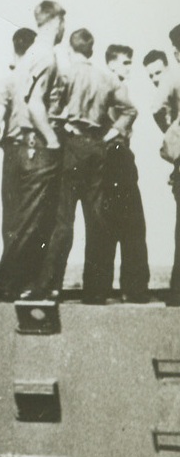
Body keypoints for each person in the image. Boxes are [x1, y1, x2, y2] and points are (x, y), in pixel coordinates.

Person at [38, 28, 136, 302]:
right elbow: (130, 110)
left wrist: (62, 126)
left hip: (72, 147)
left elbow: (53, 112)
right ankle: (96, 290)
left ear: (71, 50)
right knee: (97, 219)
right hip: (98, 149)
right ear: (92, 51)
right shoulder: (106, 77)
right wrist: (109, 135)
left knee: (63, 219)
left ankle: (49, 286)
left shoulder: (67, 74)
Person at [0, 2, 66, 301]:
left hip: (22, 146)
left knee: (23, 220)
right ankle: (7, 286)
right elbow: (36, 104)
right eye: (63, 22)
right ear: (57, 21)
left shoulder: (27, 57)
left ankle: (16, 285)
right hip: (38, 146)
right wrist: (52, 139)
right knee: (34, 223)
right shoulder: (47, 57)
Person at [0, 28, 38, 301]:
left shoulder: (7, 81)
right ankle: (27, 281)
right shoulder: (43, 81)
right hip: (39, 151)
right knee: (34, 219)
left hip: (13, 151)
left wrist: (5, 144)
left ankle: (7, 283)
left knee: (11, 219)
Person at [100, 44, 150, 302]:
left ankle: (102, 288)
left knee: (110, 225)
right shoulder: (114, 88)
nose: (130, 67)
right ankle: (134, 289)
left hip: (111, 160)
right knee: (133, 226)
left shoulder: (109, 86)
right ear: (111, 63)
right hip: (118, 157)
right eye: (126, 62)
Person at [152, 25, 180, 304]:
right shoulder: (173, 79)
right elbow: (157, 109)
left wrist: (172, 135)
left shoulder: (173, 79)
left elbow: (158, 110)